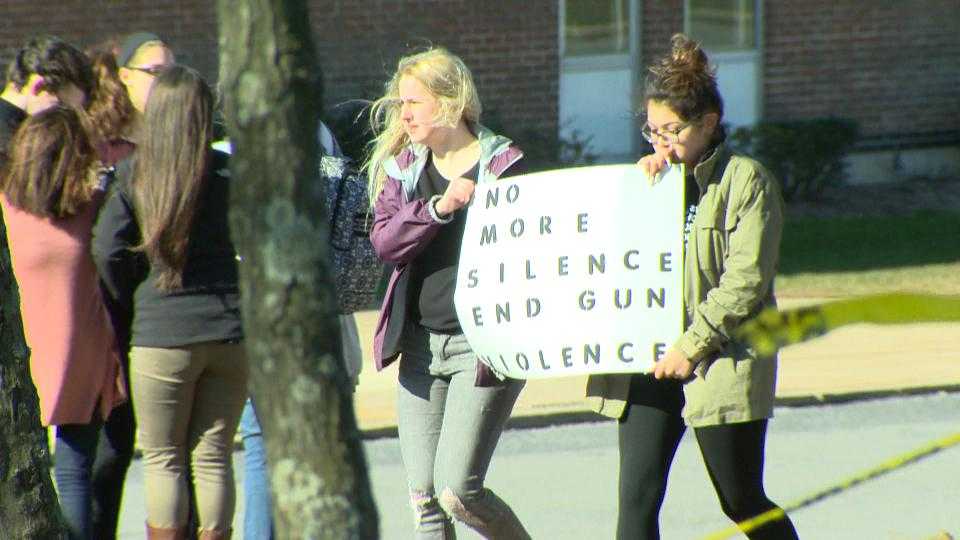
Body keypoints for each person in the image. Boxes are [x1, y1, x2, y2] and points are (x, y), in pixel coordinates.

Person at [586, 34, 799, 539]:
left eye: (672, 131)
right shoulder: (654, 181)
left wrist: (692, 345)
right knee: (635, 503)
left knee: (740, 499)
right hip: (649, 356)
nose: (660, 143)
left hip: (722, 358)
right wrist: (642, 193)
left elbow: (744, 281)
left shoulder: (746, 181)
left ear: (707, 123)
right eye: (652, 130)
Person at [367, 47, 529, 539]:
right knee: (425, 502)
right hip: (418, 348)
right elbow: (385, 241)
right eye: (400, 103)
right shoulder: (404, 168)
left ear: (451, 102)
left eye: (414, 101)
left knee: (457, 490)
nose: (405, 113)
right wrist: (439, 207)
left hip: (481, 349)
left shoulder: (504, 164)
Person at [92, 65, 244, 540]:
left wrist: (130, 298)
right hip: (232, 333)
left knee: (163, 457)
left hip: (161, 332)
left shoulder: (133, 177)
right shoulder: (229, 175)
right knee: (213, 454)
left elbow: (107, 252)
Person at [0, 35, 137, 540]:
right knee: (75, 469)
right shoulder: (93, 206)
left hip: (23, 354)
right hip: (82, 351)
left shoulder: (8, 206)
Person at [235, 116, 367, 540]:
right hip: (323, 323)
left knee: (259, 447)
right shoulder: (324, 138)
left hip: (264, 323)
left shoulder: (244, 148)